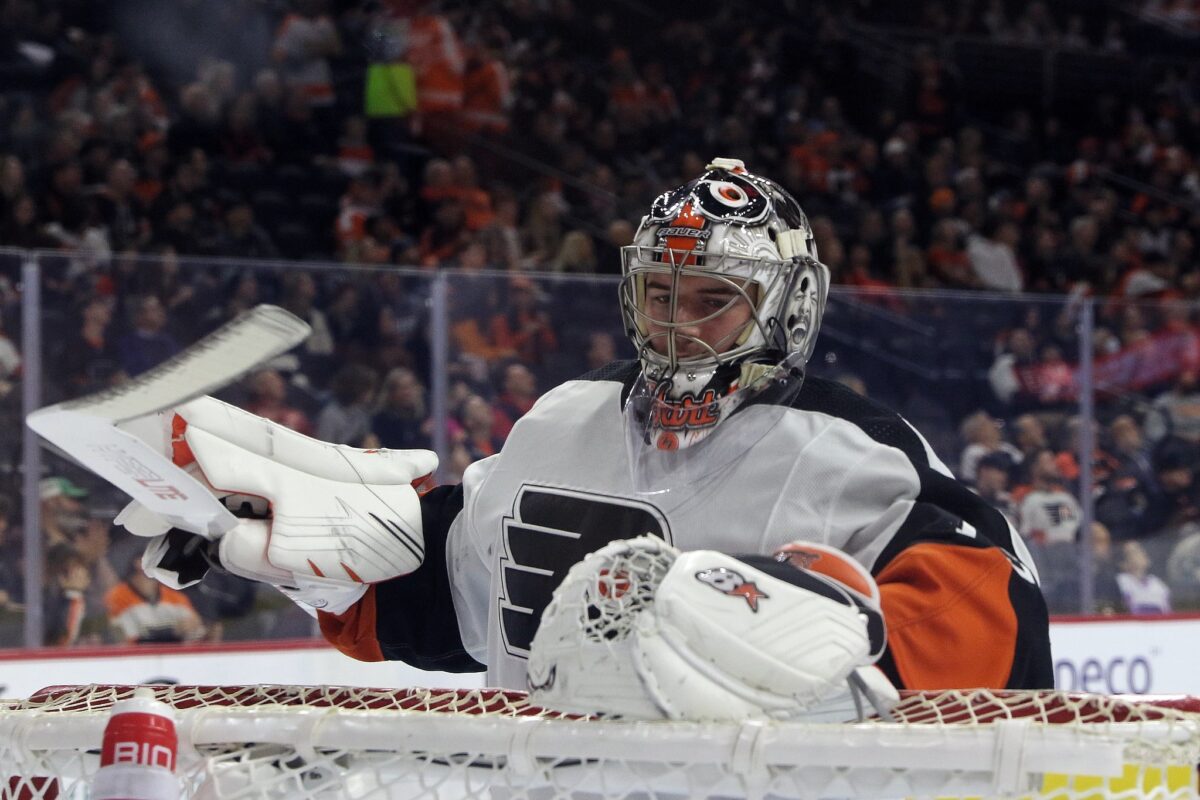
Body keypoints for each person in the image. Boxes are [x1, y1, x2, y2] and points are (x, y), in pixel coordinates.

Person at [122, 160, 1052, 715]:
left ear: (786, 306)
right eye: (660, 293)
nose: (678, 324)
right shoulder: (562, 421)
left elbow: (996, 621)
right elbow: (455, 603)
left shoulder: (853, 456)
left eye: (714, 300)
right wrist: (298, 547)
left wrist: (832, 664)